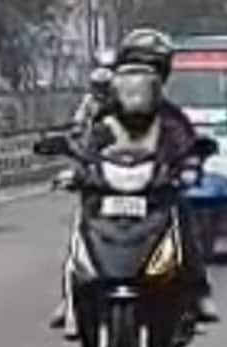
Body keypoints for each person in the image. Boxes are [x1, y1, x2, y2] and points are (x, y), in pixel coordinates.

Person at [53, 29, 217, 325]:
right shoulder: (104, 117)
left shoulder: (170, 118)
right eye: (135, 70)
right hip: (108, 190)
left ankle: (197, 289)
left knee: (182, 216)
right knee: (82, 221)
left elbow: (187, 145)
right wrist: (78, 169)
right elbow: (87, 147)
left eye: (151, 69)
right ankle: (71, 297)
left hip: (154, 191)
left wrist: (188, 164)